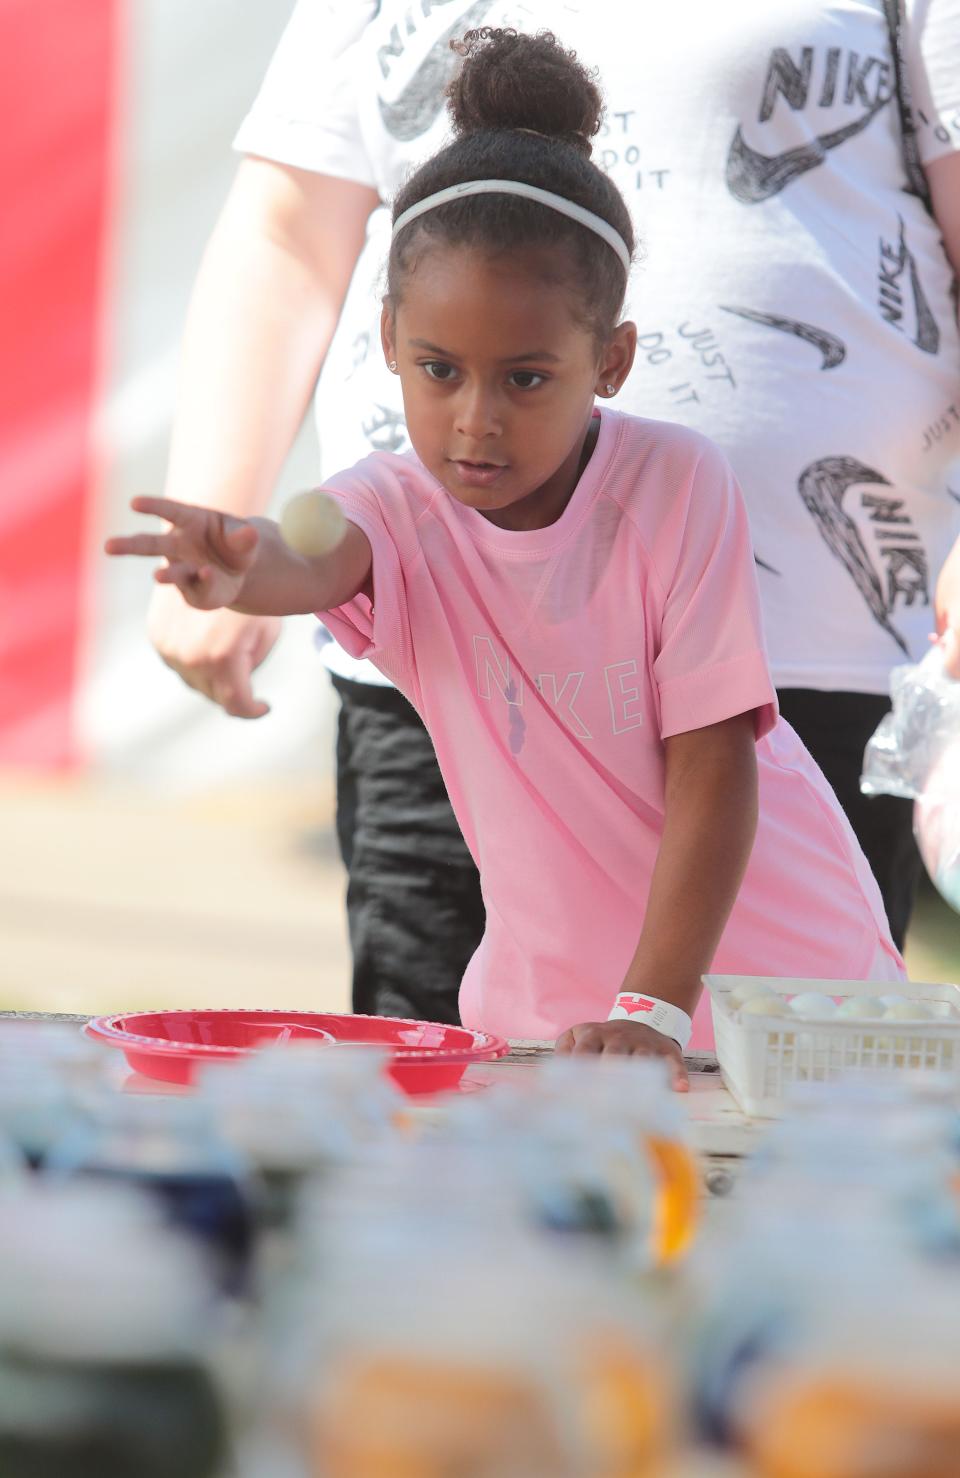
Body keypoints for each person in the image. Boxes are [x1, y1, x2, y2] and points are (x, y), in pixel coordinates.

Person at [109, 27, 906, 1088]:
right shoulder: (391, 506)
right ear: (388, 339)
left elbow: (716, 767)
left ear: (609, 359)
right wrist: (235, 560)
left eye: (525, 378)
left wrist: (654, 1007)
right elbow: (311, 556)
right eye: (439, 369)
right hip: (560, 1022)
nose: (474, 420)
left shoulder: (678, 485)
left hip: (788, 1010)